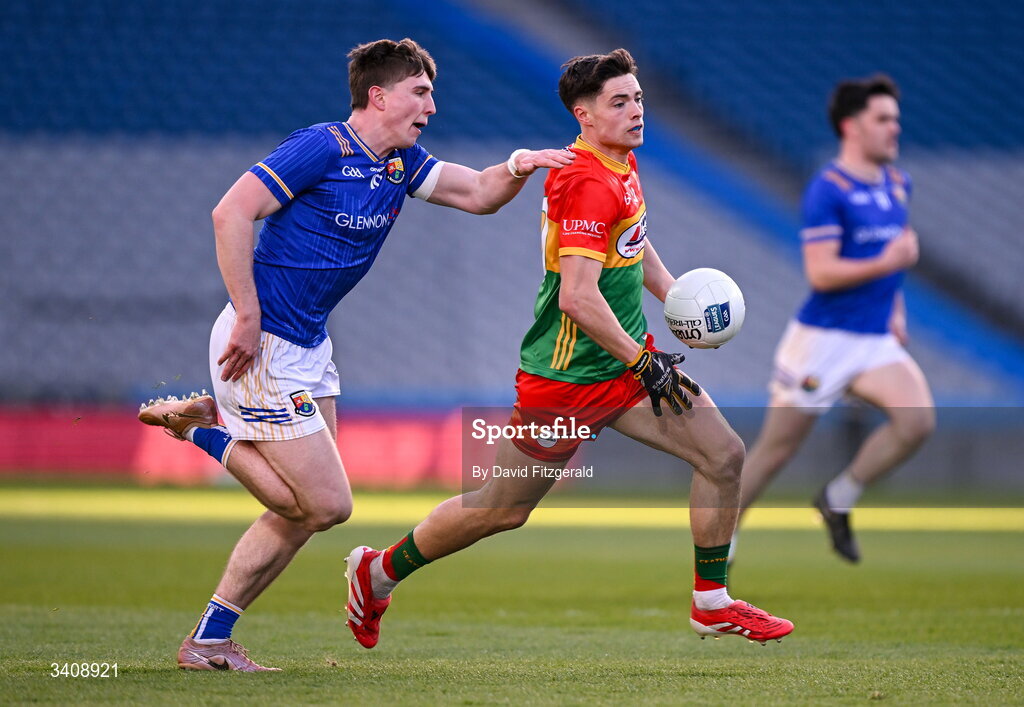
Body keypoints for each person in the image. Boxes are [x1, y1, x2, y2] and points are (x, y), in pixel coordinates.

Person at [137, 37, 574, 671]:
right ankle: (207, 432)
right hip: (263, 344)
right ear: (379, 95)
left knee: (301, 510)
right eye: (420, 92)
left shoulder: (400, 163)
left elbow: (478, 193)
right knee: (325, 504)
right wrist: (249, 313)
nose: (431, 106)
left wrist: (518, 165)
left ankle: (209, 641)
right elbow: (230, 212)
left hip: (310, 346)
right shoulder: (324, 146)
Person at [344, 49, 793, 652]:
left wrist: (676, 293)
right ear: (584, 114)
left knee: (723, 455)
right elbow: (579, 297)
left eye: (638, 99)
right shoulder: (583, 181)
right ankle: (376, 573)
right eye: (620, 102)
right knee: (499, 510)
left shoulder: (620, 164)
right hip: (567, 380)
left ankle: (711, 602)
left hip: (628, 366)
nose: (636, 111)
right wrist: (643, 359)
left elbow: (631, 241)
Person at [735, 74, 935, 563]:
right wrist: (888, 263)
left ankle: (838, 498)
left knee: (917, 423)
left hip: (872, 339)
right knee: (776, 451)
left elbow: (895, 257)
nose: (894, 130)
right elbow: (822, 273)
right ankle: (723, 538)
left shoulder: (897, 182)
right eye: (883, 119)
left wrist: (896, 310)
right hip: (821, 341)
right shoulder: (828, 189)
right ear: (851, 127)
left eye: (896, 120)